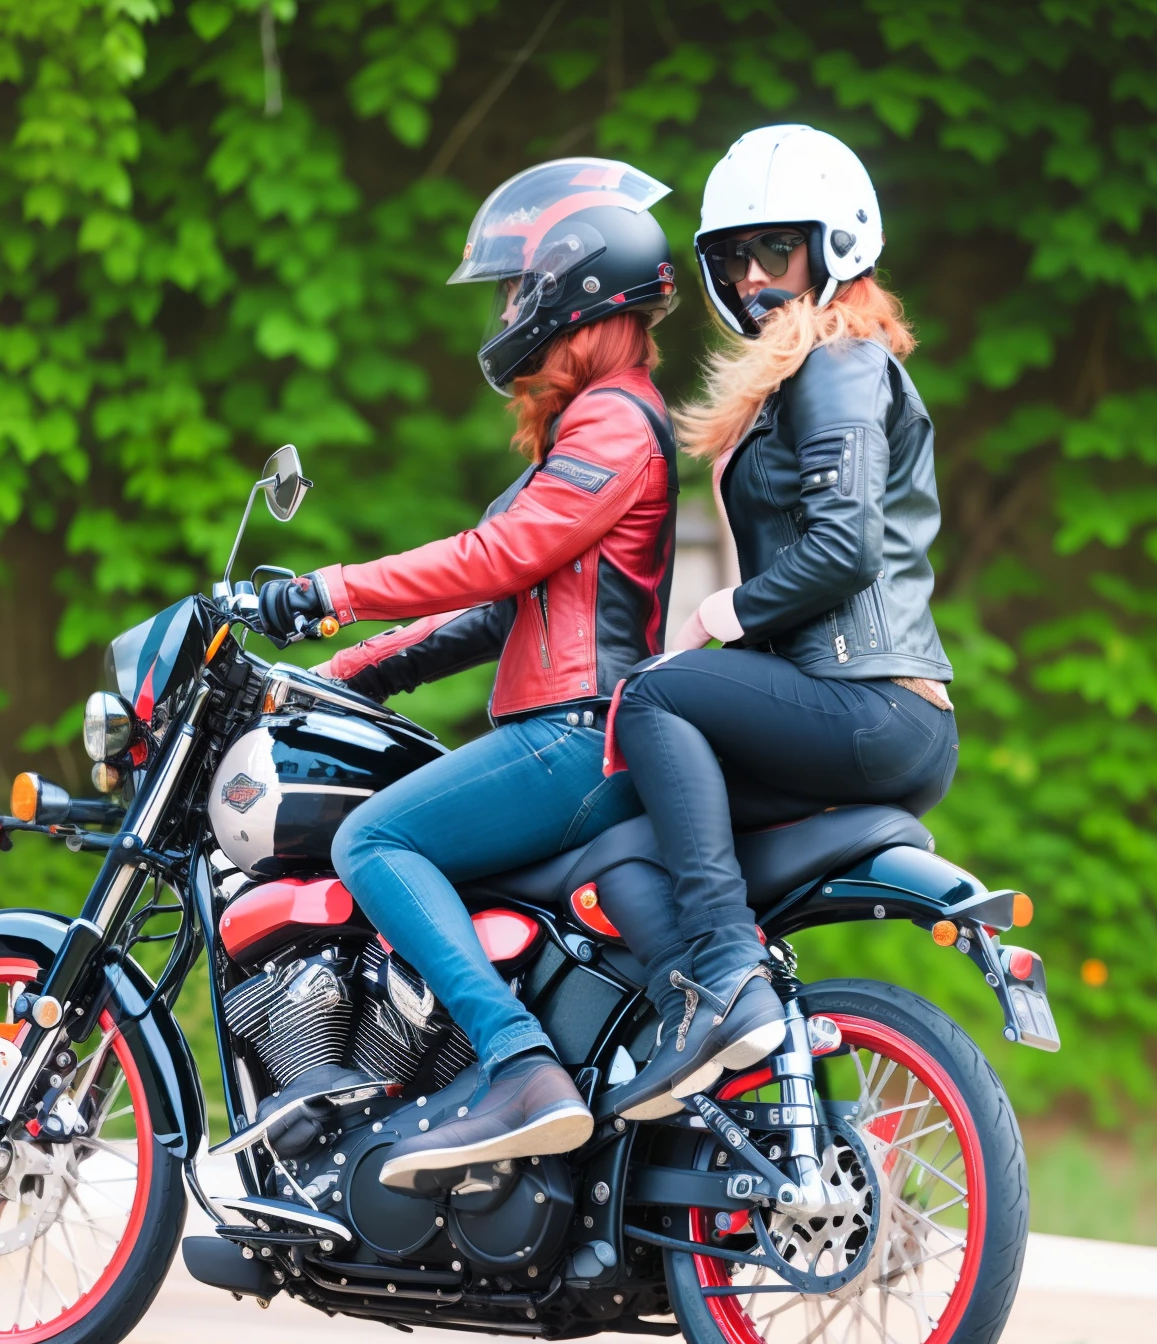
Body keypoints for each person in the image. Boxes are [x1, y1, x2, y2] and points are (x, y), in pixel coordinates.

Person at [254, 158, 751, 1187]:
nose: (513, 310)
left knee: (373, 837)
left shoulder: (614, 420)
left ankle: (519, 1065)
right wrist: (353, 672)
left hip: (571, 735)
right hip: (568, 730)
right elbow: (500, 612)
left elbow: (501, 559)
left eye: (523, 287)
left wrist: (329, 589)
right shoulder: (599, 420)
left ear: (577, 289)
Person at [598, 124, 959, 1122]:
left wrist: (726, 613)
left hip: (869, 701)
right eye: (732, 258)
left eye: (776, 251)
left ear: (836, 245)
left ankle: (722, 980)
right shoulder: (800, 372)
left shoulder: (841, 361)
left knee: (656, 699)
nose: (754, 277)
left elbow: (843, 548)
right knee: (635, 816)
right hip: (841, 702)